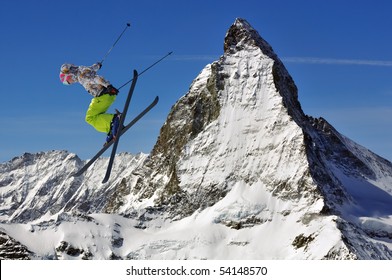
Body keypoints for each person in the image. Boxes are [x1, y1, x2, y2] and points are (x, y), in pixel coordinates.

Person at [59, 62, 121, 145]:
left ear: (69, 74)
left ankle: (115, 119)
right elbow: (92, 68)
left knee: (90, 118)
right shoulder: (82, 70)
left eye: (66, 81)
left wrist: (108, 86)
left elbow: (96, 78)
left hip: (103, 95)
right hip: (107, 96)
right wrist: (98, 66)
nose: (69, 83)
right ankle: (111, 127)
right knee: (96, 116)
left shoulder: (81, 75)